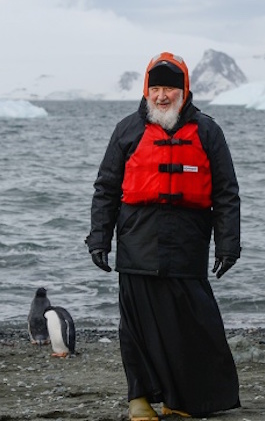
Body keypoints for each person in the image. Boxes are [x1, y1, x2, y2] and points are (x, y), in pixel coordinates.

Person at [85, 52, 241, 420]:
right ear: (146, 90)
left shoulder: (208, 132)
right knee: (137, 327)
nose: (161, 95)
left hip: (187, 245)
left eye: (169, 88)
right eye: (155, 87)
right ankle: (139, 401)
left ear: (184, 91)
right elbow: (106, 188)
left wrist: (228, 243)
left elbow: (226, 192)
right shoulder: (127, 130)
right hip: (137, 243)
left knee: (192, 325)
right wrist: (99, 239)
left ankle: (180, 400)